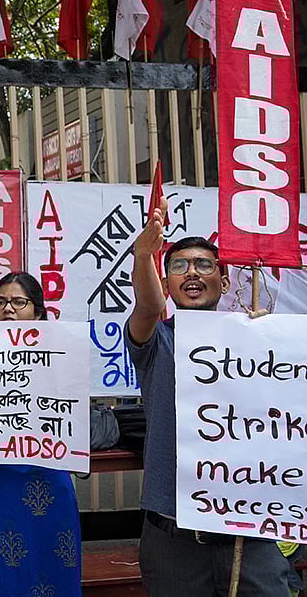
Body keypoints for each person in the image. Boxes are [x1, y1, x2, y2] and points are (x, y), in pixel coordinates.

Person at [129, 201, 290, 596]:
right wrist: (144, 253)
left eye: (204, 264)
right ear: (166, 283)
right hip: (174, 540)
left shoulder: (259, 342)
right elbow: (148, 306)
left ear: (223, 277)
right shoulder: (157, 339)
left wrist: (264, 342)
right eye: (179, 266)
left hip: (250, 535)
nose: (192, 273)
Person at [0, 271, 82, 597]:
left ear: (38, 312)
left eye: (18, 301)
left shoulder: (64, 356)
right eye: (0, 302)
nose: (8, 309)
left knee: (53, 575)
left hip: (49, 486)